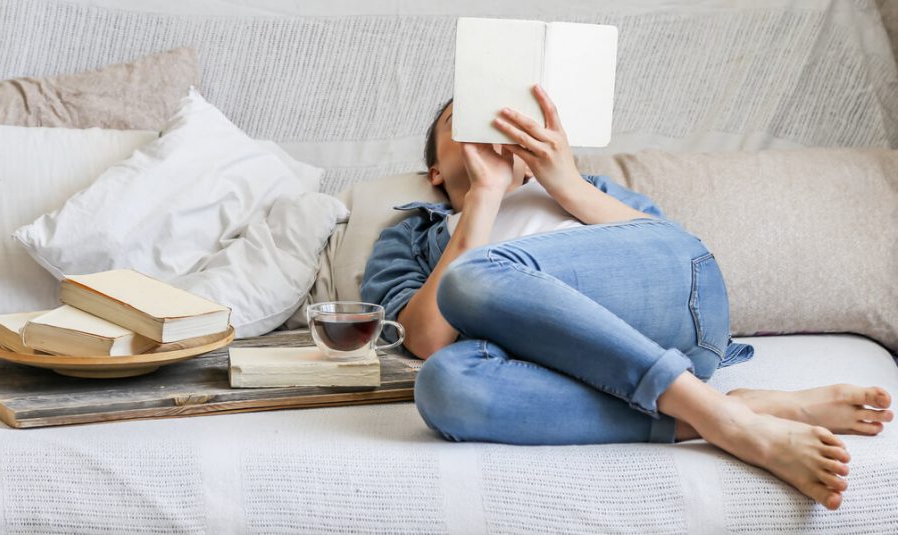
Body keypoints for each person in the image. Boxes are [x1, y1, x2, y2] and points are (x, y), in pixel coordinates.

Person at [360, 84, 893, 510]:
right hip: (557, 368)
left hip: (672, 322)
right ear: (434, 171)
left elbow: (677, 257)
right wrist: (484, 197)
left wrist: (564, 183)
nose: (483, 129)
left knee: (470, 277)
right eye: (462, 121)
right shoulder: (410, 235)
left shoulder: (590, 188)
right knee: (443, 385)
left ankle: (724, 425)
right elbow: (428, 340)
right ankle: (724, 411)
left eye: (491, 116)